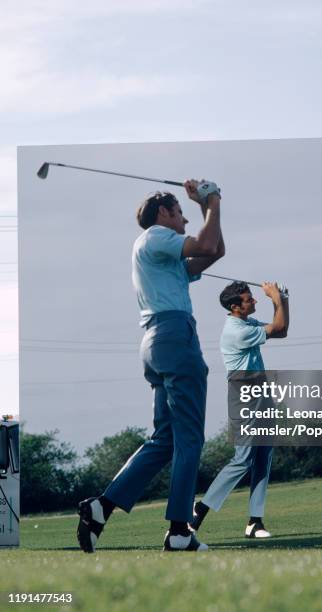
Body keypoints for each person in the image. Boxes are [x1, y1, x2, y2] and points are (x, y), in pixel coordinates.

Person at [77, 179, 225, 553]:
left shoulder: (162, 253)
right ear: (163, 213)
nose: (186, 222)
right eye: (181, 213)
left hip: (157, 342)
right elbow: (206, 243)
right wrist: (212, 199)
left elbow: (215, 250)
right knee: (191, 438)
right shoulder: (158, 236)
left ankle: (102, 506)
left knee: (166, 440)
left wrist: (210, 205)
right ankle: (179, 531)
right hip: (175, 337)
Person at [191, 280, 289, 538]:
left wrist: (283, 300)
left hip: (261, 390)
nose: (254, 301)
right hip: (243, 393)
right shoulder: (236, 331)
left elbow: (281, 331)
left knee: (263, 456)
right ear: (235, 307)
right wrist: (276, 299)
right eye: (249, 299)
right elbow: (278, 325)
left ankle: (255, 521)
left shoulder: (246, 323)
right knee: (243, 458)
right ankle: (199, 509)